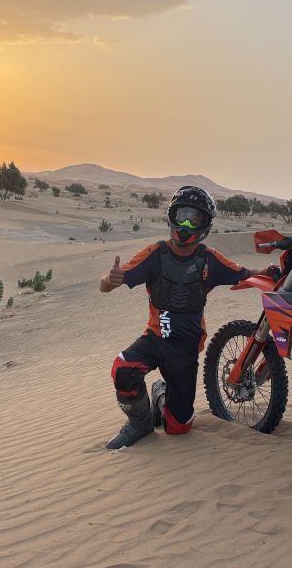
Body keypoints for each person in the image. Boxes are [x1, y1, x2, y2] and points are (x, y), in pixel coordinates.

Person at [99, 186, 272, 449]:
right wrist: (108, 281)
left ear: (206, 225)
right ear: (171, 217)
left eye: (195, 218)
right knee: (123, 368)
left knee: (178, 428)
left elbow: (246, 274)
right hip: (156, 337)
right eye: (182, 216)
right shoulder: (154, 254)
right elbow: (109, 283)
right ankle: (139, 425)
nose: (186, 225)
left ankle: (160, 393)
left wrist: (273, 270)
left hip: (186, 349)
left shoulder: (210, 260)